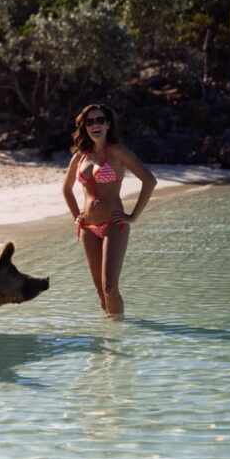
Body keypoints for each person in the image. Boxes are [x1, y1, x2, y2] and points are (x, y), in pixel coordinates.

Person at [62, 104, 156, 319]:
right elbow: (66, 189)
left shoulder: (118, 152)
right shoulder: (80, 157)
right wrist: (76, 216)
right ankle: (109, 337)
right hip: (87, 227)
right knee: (100, 291)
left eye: (100, 120)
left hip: (114, 224)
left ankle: (118, 337)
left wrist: (133, 216)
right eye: (90, 121)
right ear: (84, 127)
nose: (95, 125)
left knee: (110, 287)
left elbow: (149, 180)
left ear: (108, 124)